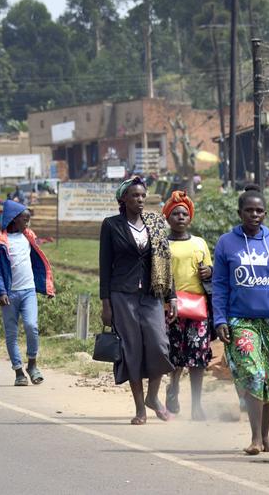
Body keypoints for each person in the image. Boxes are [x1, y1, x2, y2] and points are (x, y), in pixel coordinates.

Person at [212, 185, 269, 455]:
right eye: (249, 210)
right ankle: (254, 438)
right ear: (239, 212)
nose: (254, 214)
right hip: (241, 321)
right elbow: (219, 284)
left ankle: (266, 438)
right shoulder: (226, 243)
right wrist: (219, 319)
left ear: (265, 213)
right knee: (253, 374)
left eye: (259, 210)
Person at [99, 177, 177, 425]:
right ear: (123, 199)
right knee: (132, 350)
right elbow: (105, 267)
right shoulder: (111, 226)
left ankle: (152, 398)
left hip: (152, 294)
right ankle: (139, 410)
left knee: (158, 345)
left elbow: (165, 261)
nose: (140, 200)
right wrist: (106, 304)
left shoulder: (154, 223)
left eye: (143, 195)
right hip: (122, 294)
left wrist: (171, 295)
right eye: (135, 196)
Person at [0, 200, 55, 386]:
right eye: (24, 219)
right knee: (11, 333)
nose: (27, 223)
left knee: (31, 326)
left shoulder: (29, 237)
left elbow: (39, 262)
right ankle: (18, 371)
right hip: (9, 294)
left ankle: (32, 365)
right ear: (13, 219)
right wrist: (1, 291)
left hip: (28, 291)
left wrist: (46, 286)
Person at [162, 191, 213, 420]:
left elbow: (211, 273)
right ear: (167, 218)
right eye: (175, 213)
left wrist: (209, 271)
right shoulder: (162, 245)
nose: (181, 217)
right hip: (170, 308)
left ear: (190, 218)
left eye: (184, 213)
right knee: (174, 356)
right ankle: (172, 389)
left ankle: (197, 405)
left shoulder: (199, 243)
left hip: (197, 308)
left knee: (198, 357)